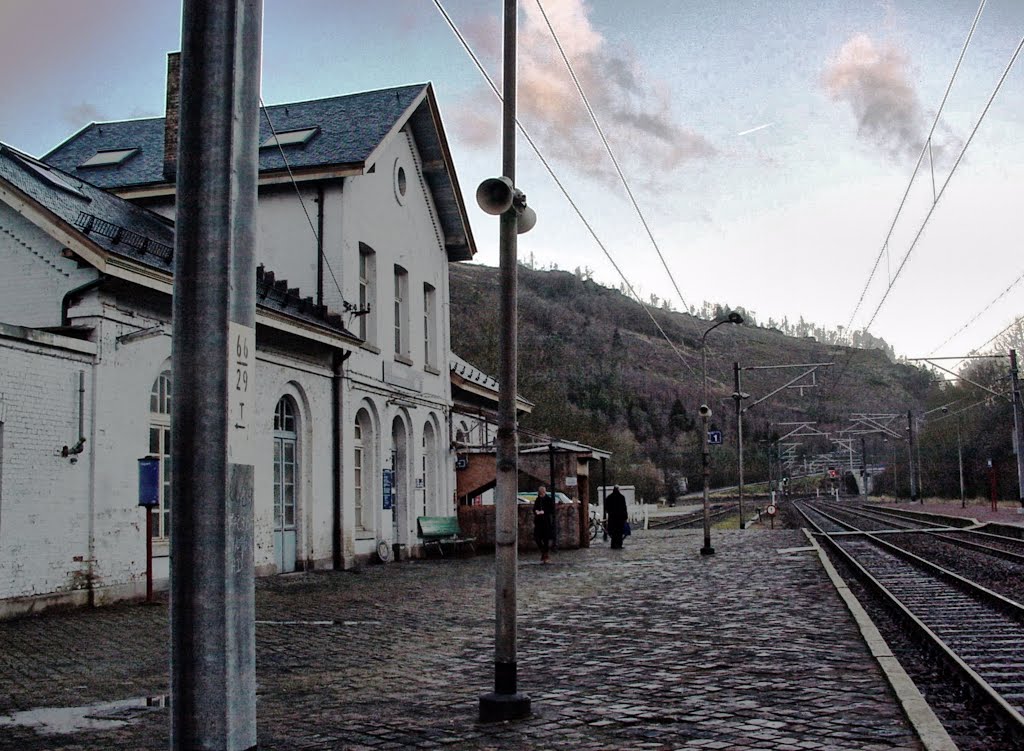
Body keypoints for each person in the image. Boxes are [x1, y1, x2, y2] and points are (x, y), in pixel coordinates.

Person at [533, 485, 556, 563]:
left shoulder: (548, 499)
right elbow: (534, 508)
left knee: (546, 539)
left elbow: (552, 510)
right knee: (537, 538)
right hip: (538, 522)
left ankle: (545, 554)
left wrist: (544, 512)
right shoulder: (537, 499)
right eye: (540, 491)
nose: (541, 493)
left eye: (542, 491)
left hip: (546, 522)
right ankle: (543, 552)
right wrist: (536, 511)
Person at [604, 485, 628, 549]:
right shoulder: (621, 497)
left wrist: (610, 512)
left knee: (613, 532)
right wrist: (625, 516)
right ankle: (619, 544)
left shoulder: (609, 497)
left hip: (612, 517)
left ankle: (613, 544)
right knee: (619, 532)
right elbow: (624, 508)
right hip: (620, 518)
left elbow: (606, 508)